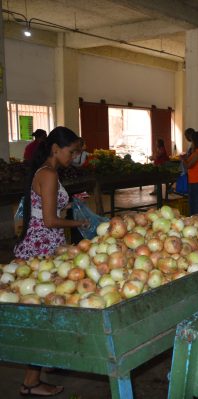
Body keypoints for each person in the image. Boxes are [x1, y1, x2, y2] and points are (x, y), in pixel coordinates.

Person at [14, 126, 89, 397]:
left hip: (45, 246)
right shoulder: (48, 174)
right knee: (42, 318)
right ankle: (31, 382)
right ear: (56, 149)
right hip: (41, 250)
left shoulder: (45, 172)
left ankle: (35, 376)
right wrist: (78, 221)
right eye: (72, 152)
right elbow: (49, 220)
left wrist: (67, 206)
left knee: (45, 315)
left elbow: (44, 211)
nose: (74, 157)